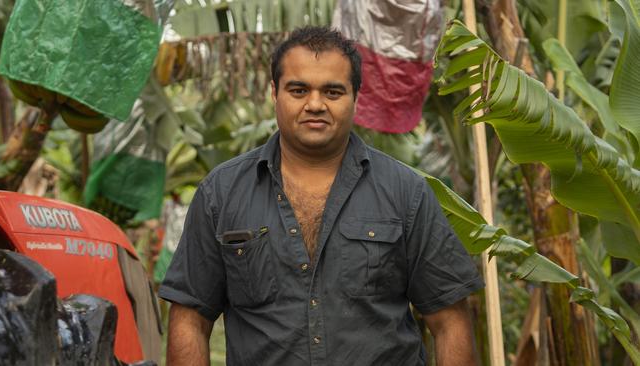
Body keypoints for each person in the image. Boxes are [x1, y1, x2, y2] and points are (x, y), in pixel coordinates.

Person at [159, 26, 484, 366]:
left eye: (332, 92)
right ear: (275, 92)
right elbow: (190, 319)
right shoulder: (221, 193)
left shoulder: (406, 193)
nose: (315, 104)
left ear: (356, 97)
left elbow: (449, 323)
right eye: (298, 90)